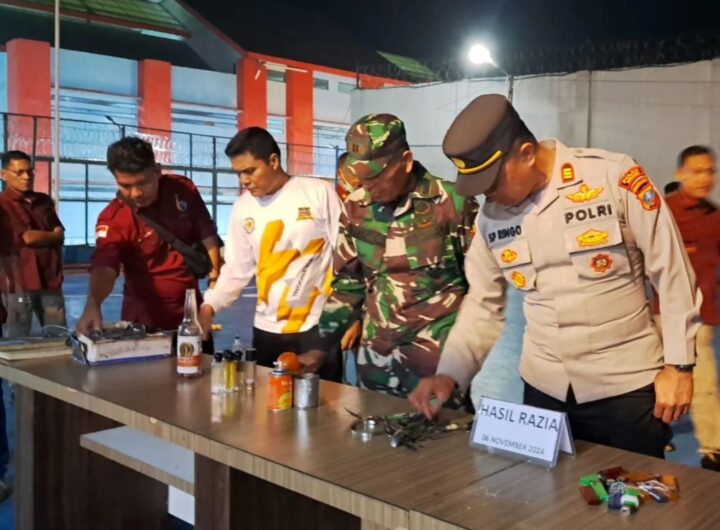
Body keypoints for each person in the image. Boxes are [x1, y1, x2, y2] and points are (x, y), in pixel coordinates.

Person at [410, 94, 702, 458]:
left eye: (492, 181)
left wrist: (680, 366)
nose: (488, 195)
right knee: (549, 506)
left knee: (634, 500)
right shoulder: (491, 219)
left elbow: (672, 273)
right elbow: (482, 305)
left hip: (625, 391)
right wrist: (448, 374)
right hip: (543, 393)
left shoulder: (613, 178)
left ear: (527, 153)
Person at [310, 114, 478, 401]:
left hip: (437, 373)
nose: (368, 187)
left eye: (375, 176)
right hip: (376, 368)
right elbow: (348, 287)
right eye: (361, 177)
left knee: (442, 446)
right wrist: (317, 347)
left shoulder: (453, 204)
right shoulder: (356, 209)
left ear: (406, 160)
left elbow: (483, 290)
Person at [198, 127, 342, 372]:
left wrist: (350, 316)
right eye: (238, 174)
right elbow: (236, 269)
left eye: (249, 171)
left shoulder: (318, 192)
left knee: (325, 405)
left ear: (273, 161)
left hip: (319, 326)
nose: (244, 181)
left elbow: (346, 257)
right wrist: (209, 306)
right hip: (266, 330)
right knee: (270, 404)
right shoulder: (243, 208)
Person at [76, 137, 221, 350]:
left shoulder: (181, 189)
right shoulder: (114, 219)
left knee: (201, 379)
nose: (136, 193)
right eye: (125, 185)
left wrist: (213, 292)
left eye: (143, 182)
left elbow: (205, 231)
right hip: (144, 328)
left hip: (194, 319)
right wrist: (93, 303)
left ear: (157, 171)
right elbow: (105, 265)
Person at [653, 145, 720, 470]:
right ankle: (657, 432)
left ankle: (712, 450)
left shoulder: (716, 218)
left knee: (705, 382)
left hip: (702, 317)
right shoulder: (662, 214)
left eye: (710, 171)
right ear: (680, 173)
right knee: (658, 378)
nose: (705, 178)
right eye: (697, 171)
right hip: (662, 315)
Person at [0, 150, 66, 337]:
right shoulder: (2, 205)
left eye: (29, 171)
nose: (26, 176)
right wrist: (52, 236)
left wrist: (49, 235)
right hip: (19, 283)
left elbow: (60, 232)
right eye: (19, 172)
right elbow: (27, 237)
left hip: (49, 280)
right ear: (3, 175)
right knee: (16, 337)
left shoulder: (43, 201)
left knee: (59, 334)